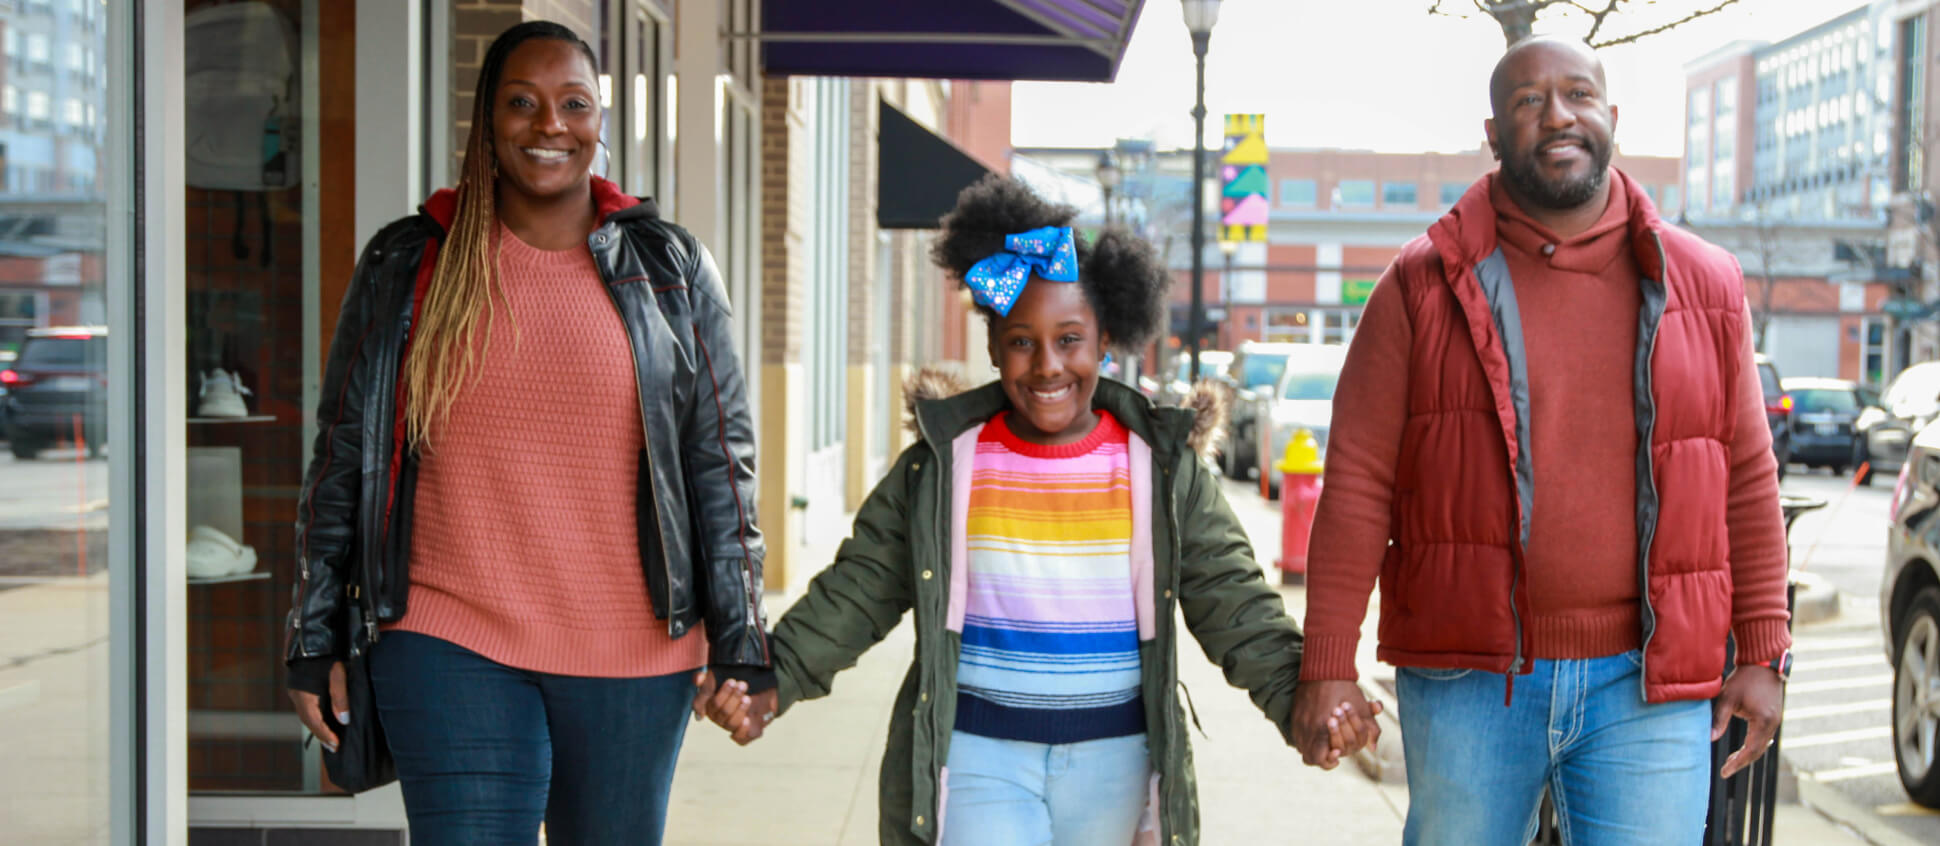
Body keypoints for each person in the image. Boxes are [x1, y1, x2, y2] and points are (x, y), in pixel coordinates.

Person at [698, 175, 1374, 846]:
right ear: (993, 347)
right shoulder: (944, 465)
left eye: (1069, 339)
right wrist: (773, 678)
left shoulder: (1159, 470)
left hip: (1117, 764)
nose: (1047, 365)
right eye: (1022, 341)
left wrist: (1300, 700)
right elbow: (856, 591)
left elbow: (1234, 603)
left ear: (1106, 339)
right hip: (977, 761)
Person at [1288, 35, 1792, 845]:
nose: (1557, 115)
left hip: (1649, 685)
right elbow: (1355, 485)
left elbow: (1746, 479)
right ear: (1493, 132)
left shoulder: (1708, 284)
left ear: (1611, 117)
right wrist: (1326, 665)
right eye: (1528, 101)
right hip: (1469, 681)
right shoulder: (1419, 287)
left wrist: (1765, 651)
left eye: (1577, 95)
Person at [281, 21, 768, 845]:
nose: (551, 124)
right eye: (523, 102)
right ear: (487, 120)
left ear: (599, 122)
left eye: (573, 104)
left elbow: (720, 463)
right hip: (446, 633)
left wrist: (743, 641)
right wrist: (312, 631)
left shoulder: (670, 266)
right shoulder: (409, 263)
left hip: (635, 652)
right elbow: (342, 456)